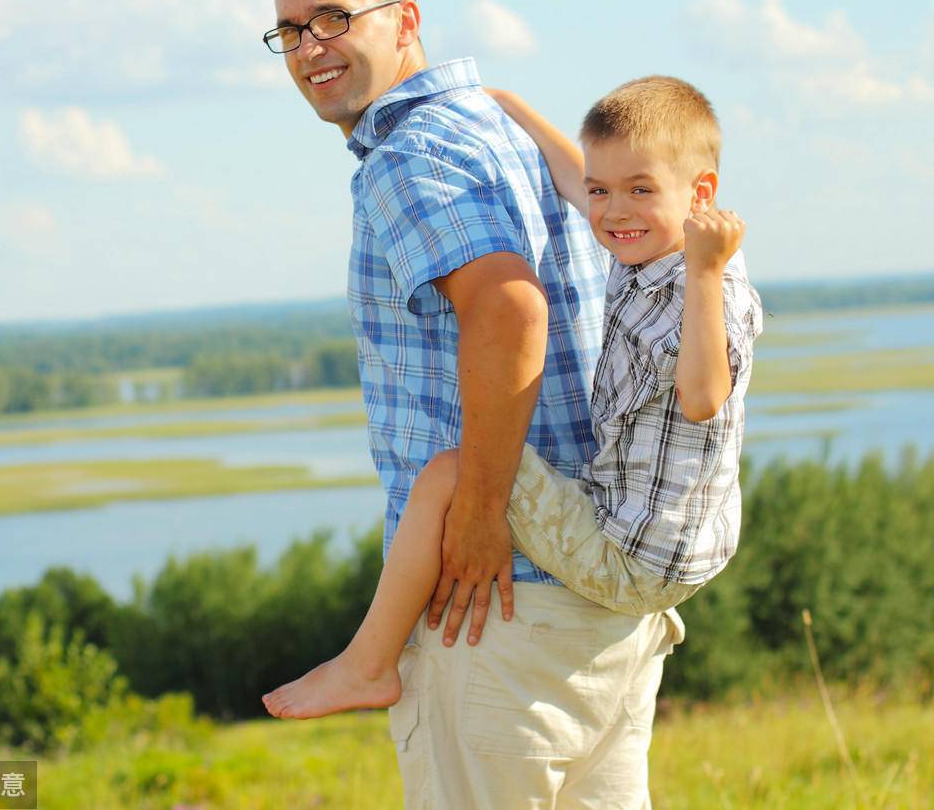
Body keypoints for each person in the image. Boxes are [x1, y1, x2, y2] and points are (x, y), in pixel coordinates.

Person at [264, 0, 682, 810]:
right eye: (292, 31)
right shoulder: (495, 127)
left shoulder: (409, 154)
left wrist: (484, 514)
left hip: (493, 608)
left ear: (404, 18)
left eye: (334, 17)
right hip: (592, 599)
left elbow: (508, 308)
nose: (311, 48)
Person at [263, 75, 762, 728]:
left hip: (636, 560)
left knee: (450, 473)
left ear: (700, 195)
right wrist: (512, 107)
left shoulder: (707, 286)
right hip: (673, 542)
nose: (613, 212)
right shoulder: (645, 242)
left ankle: (368, 663)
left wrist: (702, 271)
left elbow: (702, 397)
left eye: (640, 190)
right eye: (602, 192)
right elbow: (577, 176)